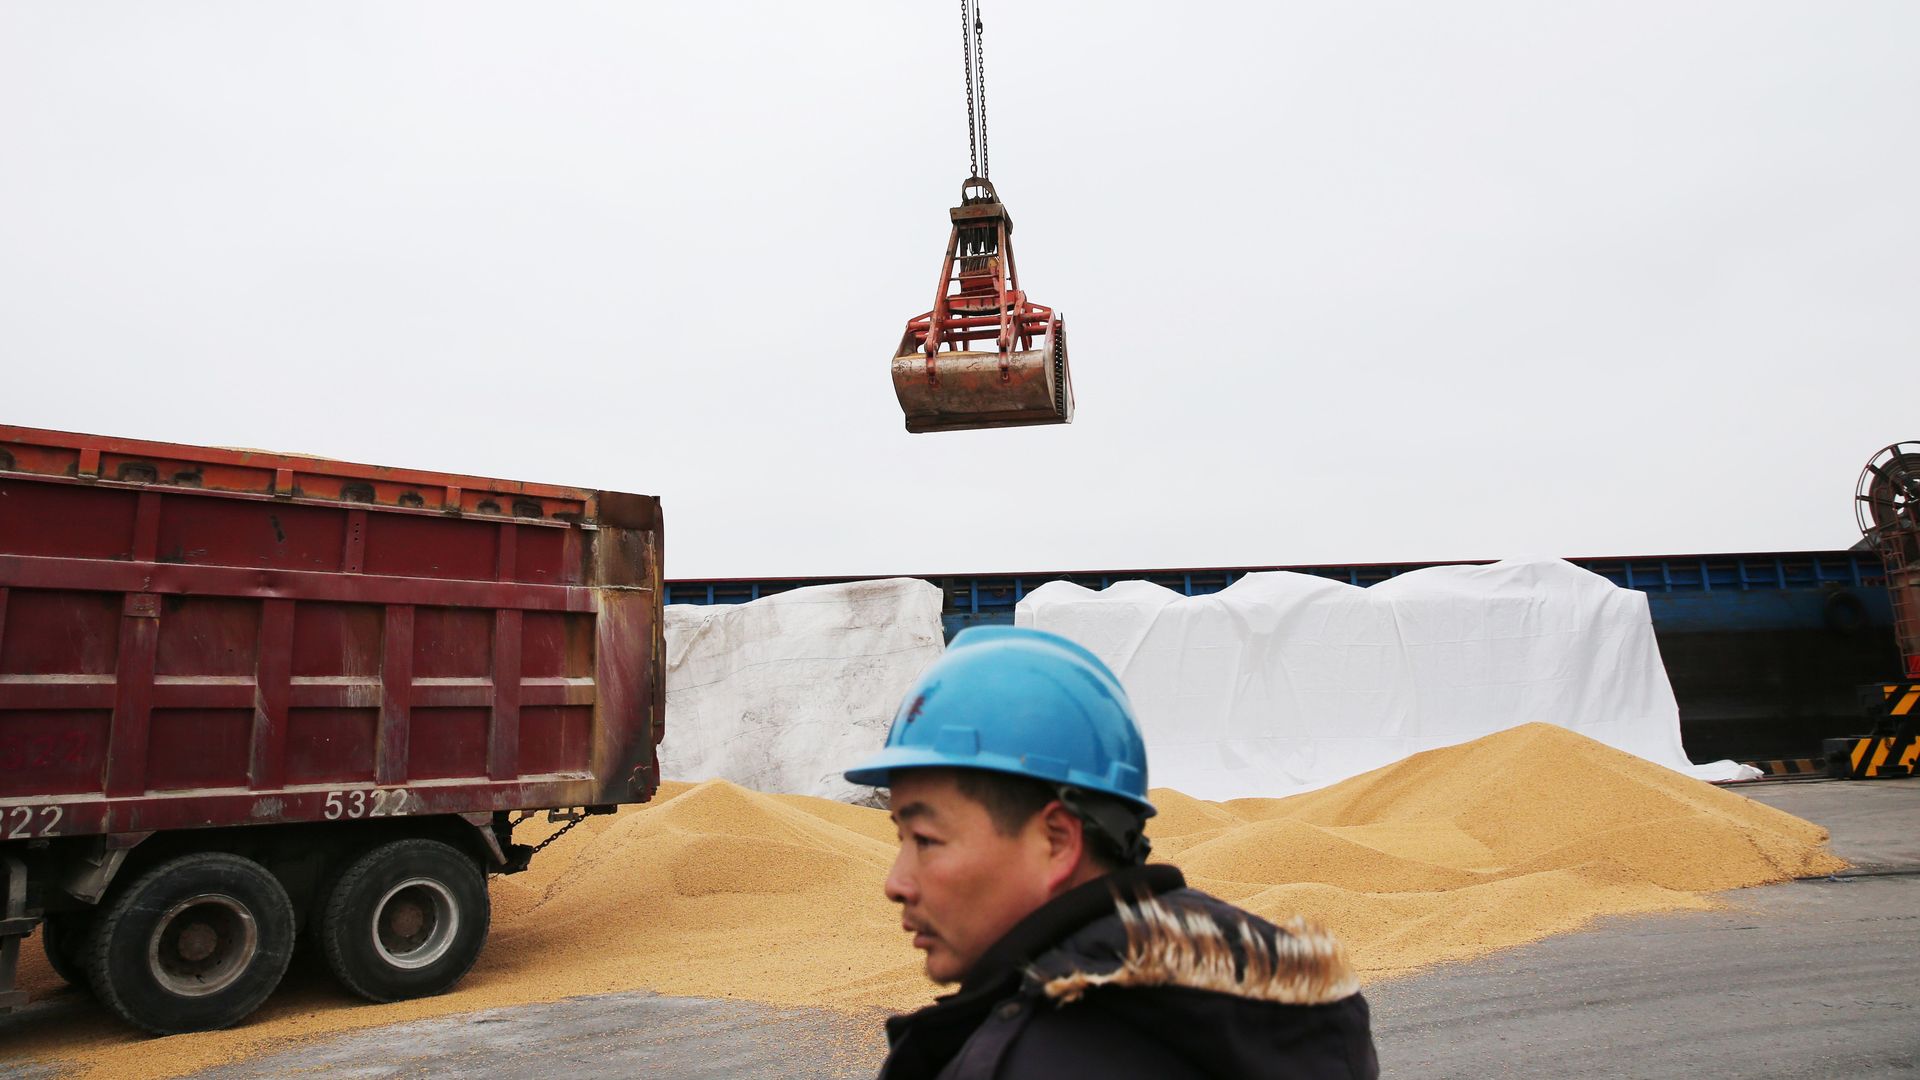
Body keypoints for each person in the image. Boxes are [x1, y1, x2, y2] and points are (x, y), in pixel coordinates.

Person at [845, 626, 1380, 1080]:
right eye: (900, 839)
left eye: (926, 840)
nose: (897, 882)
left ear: (1056, 842)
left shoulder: (1035, 1059)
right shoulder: (1264, 1015)